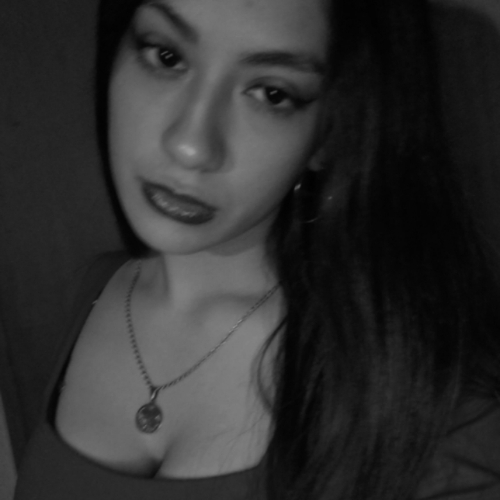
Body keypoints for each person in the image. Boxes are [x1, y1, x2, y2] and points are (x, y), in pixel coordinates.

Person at [13, 0, 500, 498]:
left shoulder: (427, 395)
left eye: (272, 93)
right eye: (166, 56)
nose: (191, 146)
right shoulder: (96, 291)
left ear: (331, 133)